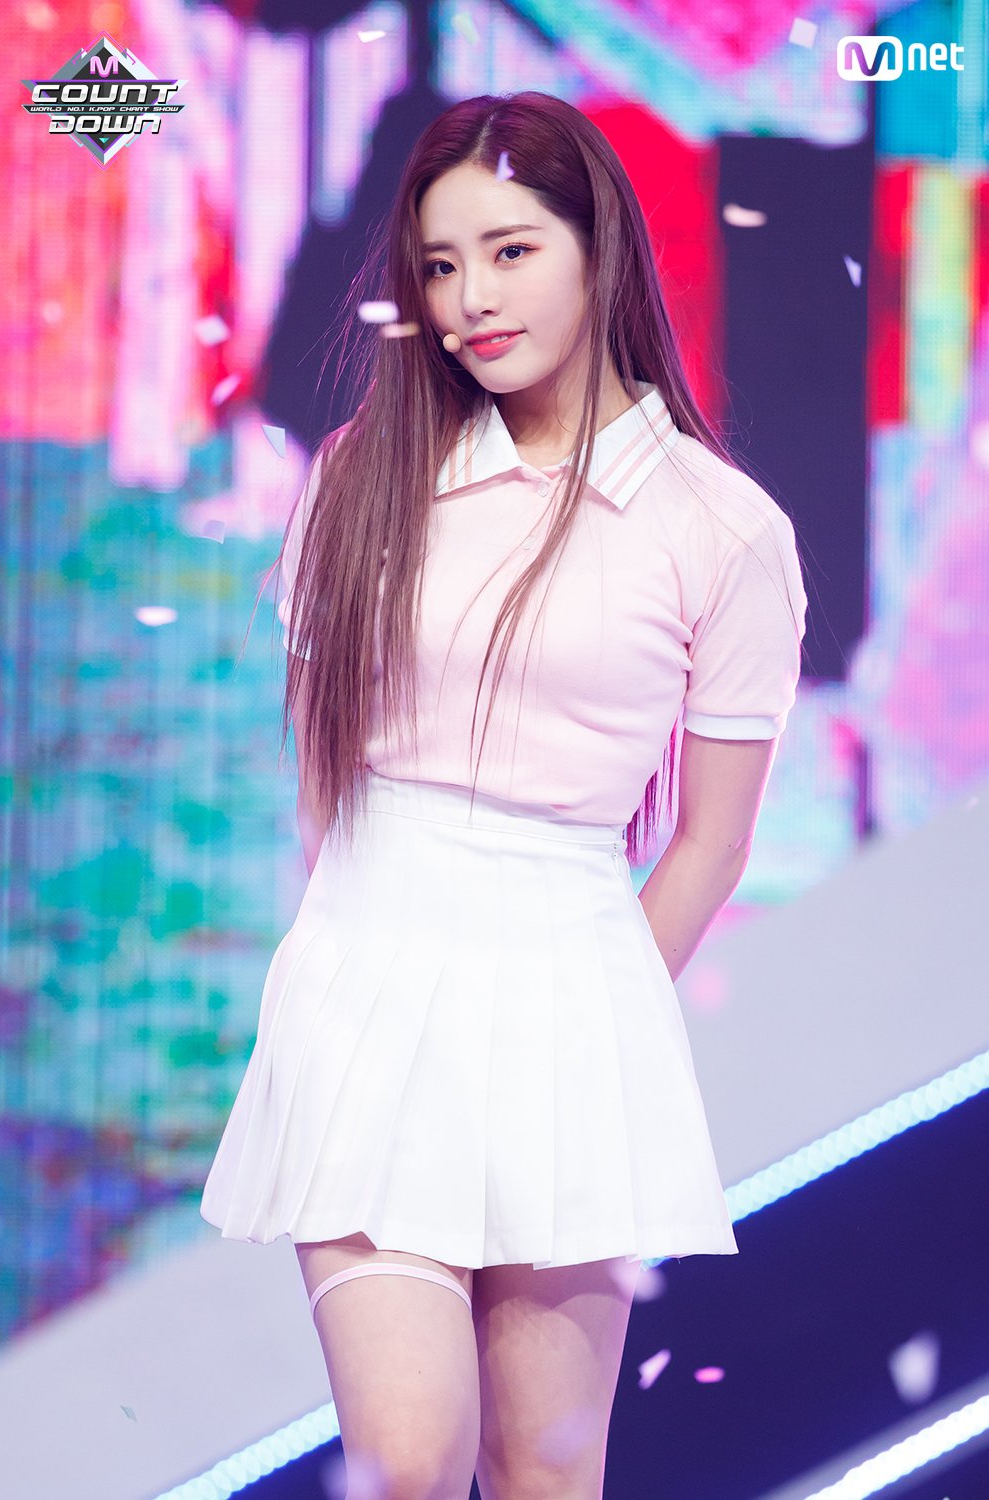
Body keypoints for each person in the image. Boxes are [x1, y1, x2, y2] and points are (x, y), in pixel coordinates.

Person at [201, 90, 809, 1500]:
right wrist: (354, 955)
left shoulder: (722, 531)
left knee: (545, 1471)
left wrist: (593, 1011)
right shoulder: (367, 478)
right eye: (439, 265)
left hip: (574, 1009)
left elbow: (712, 842)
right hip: (372, 994)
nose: (472, 298)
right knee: (411, 1458)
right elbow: (323, 773)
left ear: (600, 248)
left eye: (511, 251)